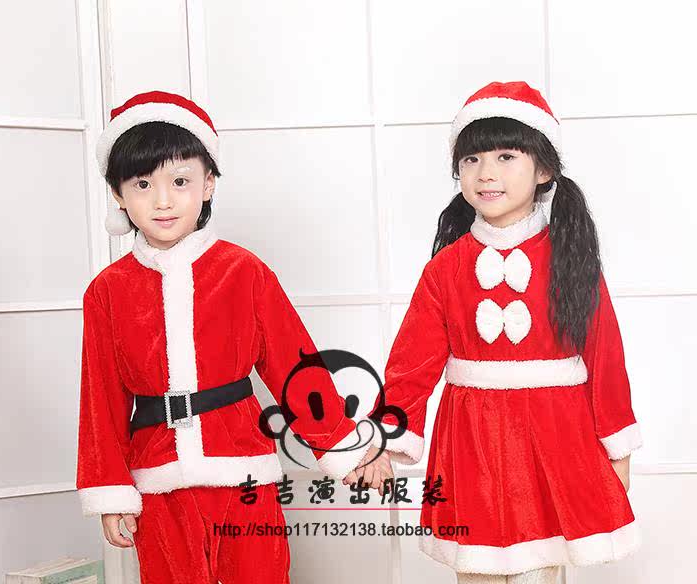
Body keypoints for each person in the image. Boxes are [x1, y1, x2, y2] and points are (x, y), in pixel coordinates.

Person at [348, 81, 644, 583]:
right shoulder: (445, 269)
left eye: (506, 156)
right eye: (472, 160)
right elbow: (411, 366)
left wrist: (618, 448)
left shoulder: (570, 260)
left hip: (556, 442)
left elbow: (606, 358)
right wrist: (382, 440)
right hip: (472, 446)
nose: (486, 173)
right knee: (477, 571)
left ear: (543, 169)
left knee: (540, 571)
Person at [75, 91, 364, 583]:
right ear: (118, 194)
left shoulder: (243, 272)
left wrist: (339, 444)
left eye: (180, 181)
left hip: (243, 468)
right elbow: (99, 398)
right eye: (142, 184)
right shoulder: (108, 291)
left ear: (208, 183)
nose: (163, 201)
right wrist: (110, 490)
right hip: (158, 478)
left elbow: (294, 364)